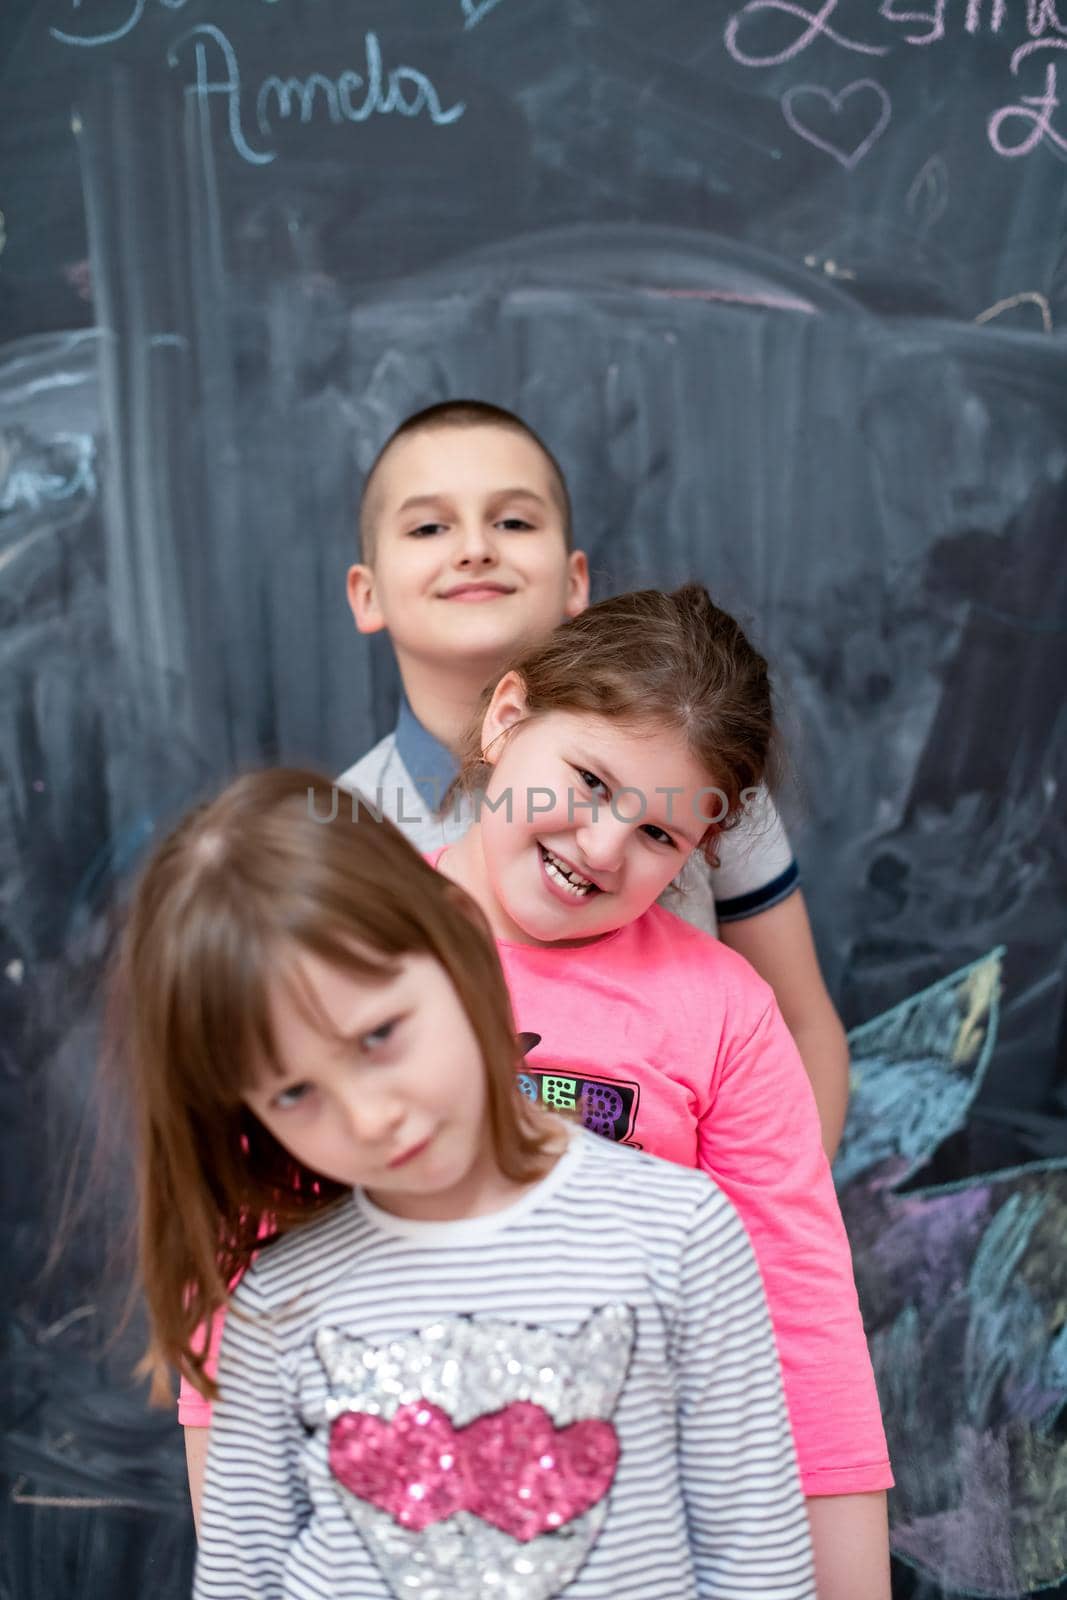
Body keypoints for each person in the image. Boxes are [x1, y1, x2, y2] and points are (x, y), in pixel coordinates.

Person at [114, 769, 816, 1600]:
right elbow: (243, 1582)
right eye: (294, 1093)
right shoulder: (279, 1308)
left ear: (456, 941)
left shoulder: (679, 1235)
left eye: (378, 1036)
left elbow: (756, 1563)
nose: (369, 1116)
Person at [431, 585, 892, 1600]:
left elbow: (802, 1325)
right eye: (588, 781)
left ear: (700, 856)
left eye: (658, 837)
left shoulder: (723, 1014)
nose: (600, 847)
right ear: (508, 717)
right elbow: (240, 1289)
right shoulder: (343, 951)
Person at [340, 400, 850, 1155]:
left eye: (514, 522)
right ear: (367, 592)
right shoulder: (341, 835)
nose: (475, 548)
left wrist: (754, 1239)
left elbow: (802, 1026)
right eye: (427, 527)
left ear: (576, 580)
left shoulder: (696, 780)